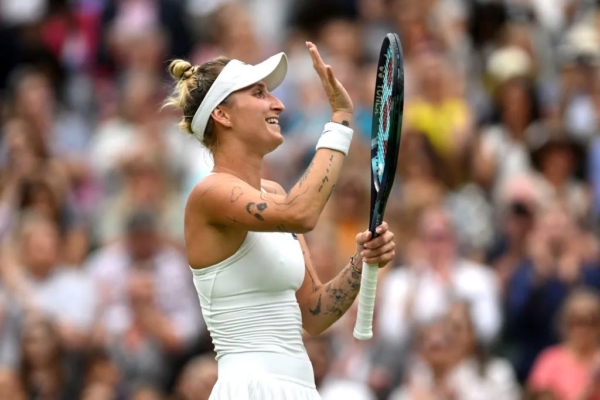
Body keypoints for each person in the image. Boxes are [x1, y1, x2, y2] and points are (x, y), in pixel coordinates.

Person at [163, 42, 396, 399]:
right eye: (259, 93)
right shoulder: (210, 193)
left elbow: (314, 313)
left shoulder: (274, 193)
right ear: (222, 115)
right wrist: (341, 121)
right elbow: (302, 214)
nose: (279, 104)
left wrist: (363, 262)